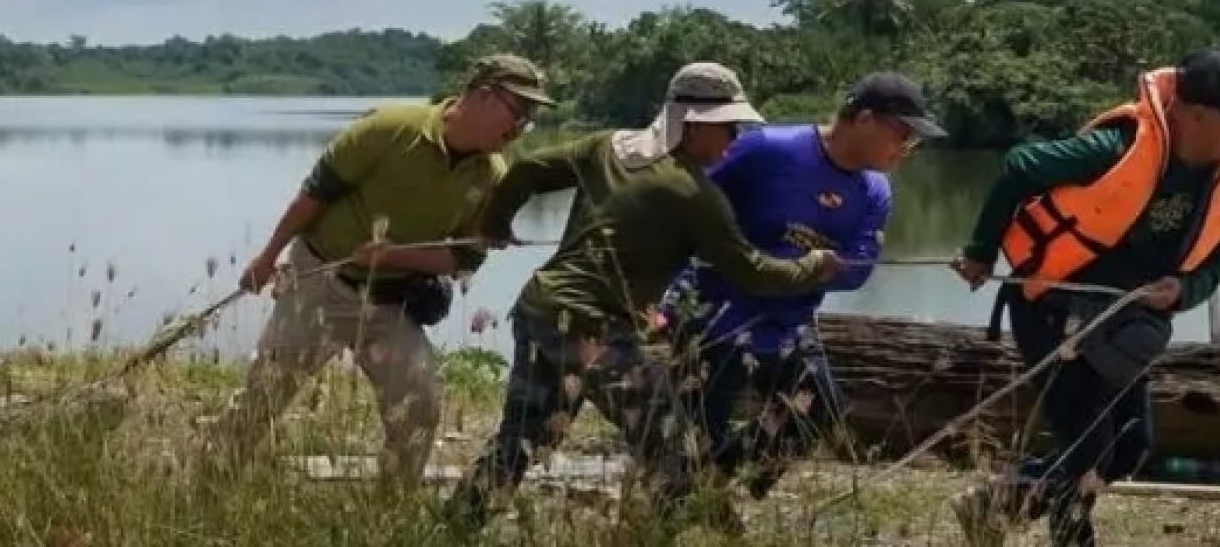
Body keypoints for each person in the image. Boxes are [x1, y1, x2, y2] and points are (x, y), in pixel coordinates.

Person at [443, 62, 844, 532]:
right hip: (595, 325)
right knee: (671, 440)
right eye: (728, 126)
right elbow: (752, 272)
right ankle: (708, 532)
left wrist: (494, 223)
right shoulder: (693, 192)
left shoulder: (605, 146)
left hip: (540, 307)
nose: (734, 138)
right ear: (692, 124)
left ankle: (453, 527)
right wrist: (813, 266)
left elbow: (528, 170)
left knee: (526, 437)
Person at [950, 49, 1220, 547]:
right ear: (1198, 114)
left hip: (1125, 324)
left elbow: (1219, 260)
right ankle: (1073, 536)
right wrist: (980, 249)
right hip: (1053, 308)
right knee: (1089, 445)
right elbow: (1019, 166)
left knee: (1130, 444)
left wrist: (1183, 290)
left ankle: (1001, 502)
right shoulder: (1116, 147)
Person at [209, 53, 553, 484]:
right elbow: (314, 194)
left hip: (390, 305)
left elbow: (463, 259)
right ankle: (209, 477)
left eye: (531, 116)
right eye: (518, 111)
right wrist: (267, 258)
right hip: (321, 283)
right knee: (265, 395)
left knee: (420, 403)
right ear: (482, 96)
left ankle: (393, 505)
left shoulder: (492, 176)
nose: (522, 125)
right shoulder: (389, 129)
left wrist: (394, 257)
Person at [661, 72, 941, 500]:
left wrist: (796, 267)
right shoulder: (767, 149)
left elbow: (857, 269)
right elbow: (684, 203)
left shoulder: (875, 191)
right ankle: (682, 497)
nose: (906, 148)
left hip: (788, 324)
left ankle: (715, 484)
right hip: (716, 315)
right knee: (698, 425)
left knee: (817, 411)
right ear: (865, 119)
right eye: (902, 134)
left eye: (913, 141)